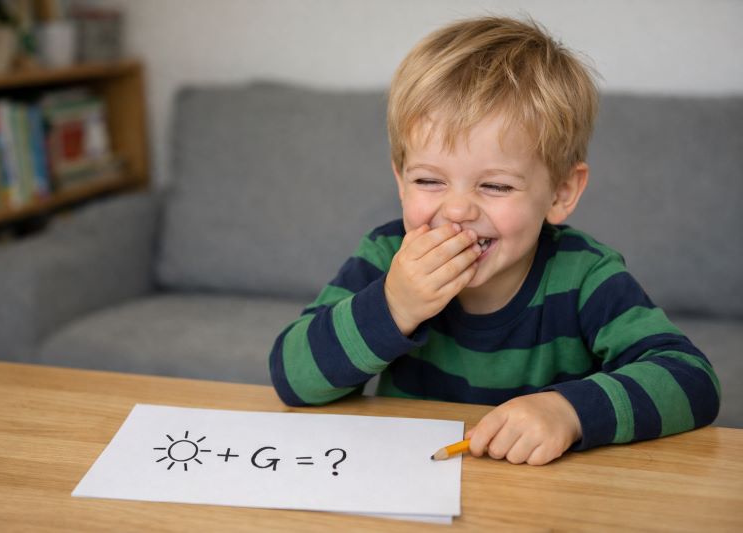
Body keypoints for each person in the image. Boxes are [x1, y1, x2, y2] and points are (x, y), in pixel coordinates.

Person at [268, 16, 720, 465]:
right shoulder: (387, 257)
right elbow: (292, 378)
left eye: (496, 186)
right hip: (414, 479)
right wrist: (393, 307)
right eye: (428, 180)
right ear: (401, 182)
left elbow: (692, 380)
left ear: (562, 192)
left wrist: (569, 411)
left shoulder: (585, 275)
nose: (458, 210)